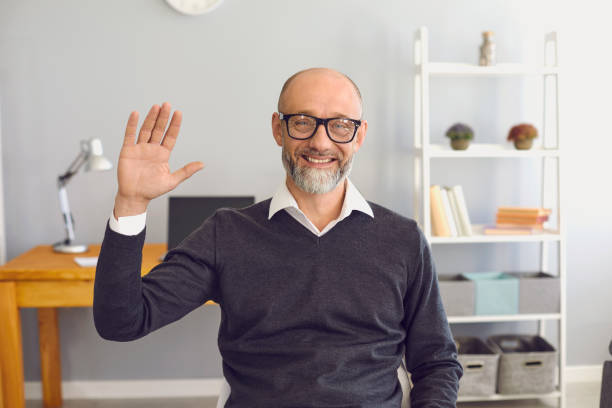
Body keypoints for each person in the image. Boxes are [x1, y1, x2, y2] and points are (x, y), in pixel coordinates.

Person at [93, 67, 462, 407]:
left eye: (340, 125)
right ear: (277, 129)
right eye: (303, 122)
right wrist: (131, 202)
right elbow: (121, 321)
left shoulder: (402, 239)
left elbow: (437, 362)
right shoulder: (228, 234)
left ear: (359, 134)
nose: (321, 141)